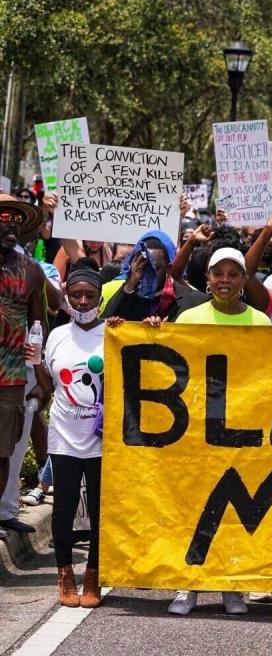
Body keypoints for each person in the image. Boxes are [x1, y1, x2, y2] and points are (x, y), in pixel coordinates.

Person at [163, 247, 270, 616]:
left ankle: (230, 586)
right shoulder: (189, 318)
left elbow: (270, 375)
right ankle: (187, 585)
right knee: (193, 506)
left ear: (244, 280)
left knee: (233, 508)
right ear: (207, 279)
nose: (225, 281)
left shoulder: (261, 323)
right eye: (218, 274)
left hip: (242, 431)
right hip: (196, 431)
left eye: (233, 274)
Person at [27, 260, 107, 608]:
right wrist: (34, 366)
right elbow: (51, 385)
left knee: (102, 511)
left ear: (100, 297)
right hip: (64, 435)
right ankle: (66, 576)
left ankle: (93, 574)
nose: (84, 302)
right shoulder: (57, 335)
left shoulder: (115, 334)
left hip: (103, 439)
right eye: (76, 296)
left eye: (90, 295)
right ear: (68, 299)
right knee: (64, 507)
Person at [0, 195, 49, 541]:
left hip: (11, 375)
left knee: (4, 450)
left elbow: (39, 321)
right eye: (4, 217)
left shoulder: (31, 270)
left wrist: (39, 372)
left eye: (17, 219)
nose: (12, 225)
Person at [102, 230, 207, 323]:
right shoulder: (128, 295)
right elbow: (104, 325)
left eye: (156, 268)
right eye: (144, 267)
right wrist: (129, 285)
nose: (149, 274)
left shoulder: (193, 300)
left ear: (168, 268)